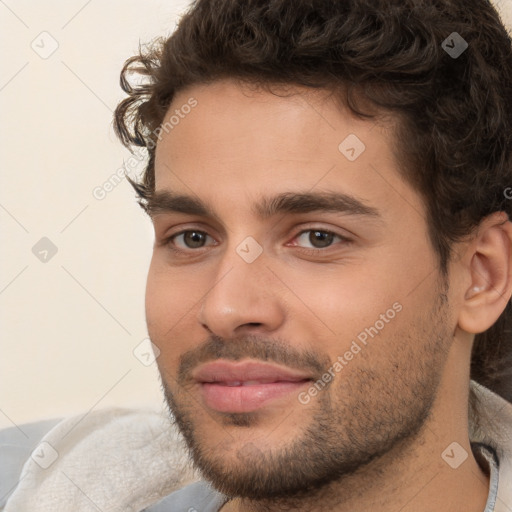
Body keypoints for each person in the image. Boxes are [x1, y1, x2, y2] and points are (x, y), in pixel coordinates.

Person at [2, 0, 512, 511]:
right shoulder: (36, 479)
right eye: (192, 237)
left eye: (317, 238)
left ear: (481, 276)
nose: (224, 309)